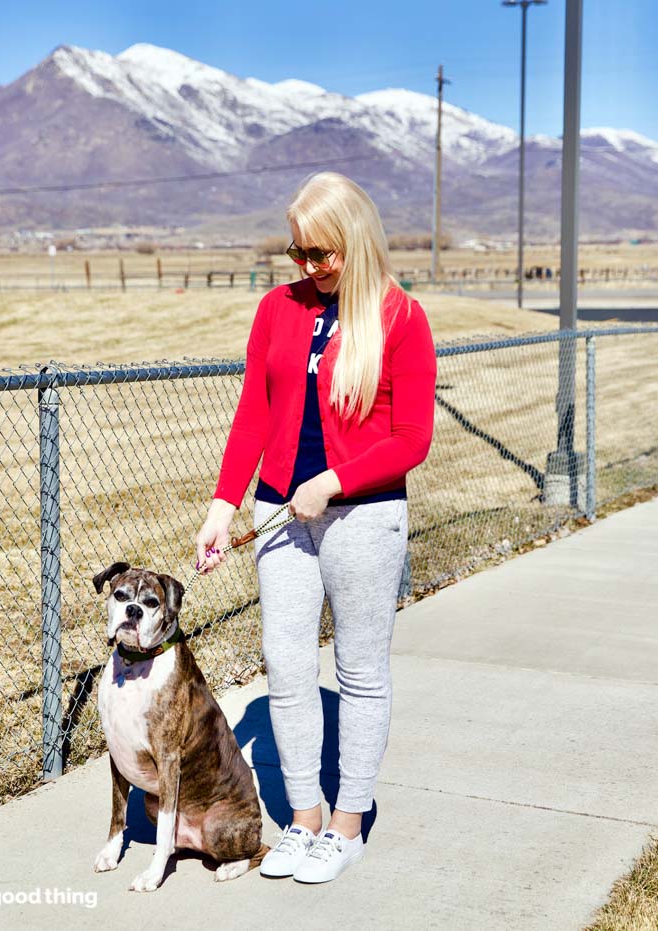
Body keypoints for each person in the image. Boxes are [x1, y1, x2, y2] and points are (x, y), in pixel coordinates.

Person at [195, 172, 437, 884]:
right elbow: (254, 413)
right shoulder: (277, 308)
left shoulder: (399, 317)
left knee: (359, 671)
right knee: (288, 663)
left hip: (361, 514)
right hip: (278, 511)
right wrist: (222, 504)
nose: (309, 268)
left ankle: (346, 822)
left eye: (322, 253)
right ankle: (302, 818)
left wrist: (333, 480)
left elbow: (410, 437)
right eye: (298, 252)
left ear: (356, 240)